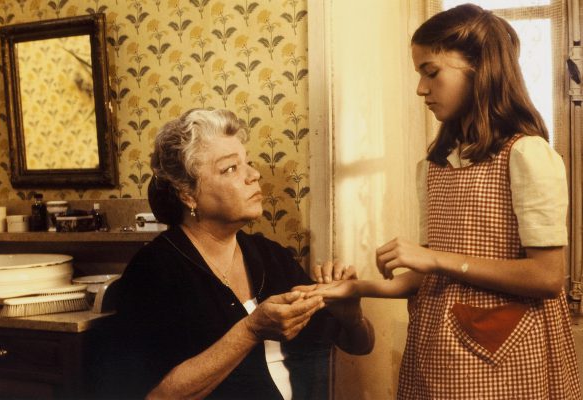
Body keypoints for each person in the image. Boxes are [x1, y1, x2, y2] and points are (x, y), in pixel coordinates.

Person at [295, 4, 581, 399]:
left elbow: (546, 278)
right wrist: (354, 289)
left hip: (507, 354)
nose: (421, 89)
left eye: (431, 72)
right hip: (436, 349)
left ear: (480, 69)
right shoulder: (433, 166)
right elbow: (429, 277)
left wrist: (434, 258)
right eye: (419, 74)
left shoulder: (527, 155)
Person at [101, 108, 374, 399]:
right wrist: (250, 330)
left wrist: (351, 318)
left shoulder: (271, 257)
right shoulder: (153, 272)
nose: (254, 175)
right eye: (230, 168)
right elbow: (154, 396)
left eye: (248, 163)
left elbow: (360, 345)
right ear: (188, 194)